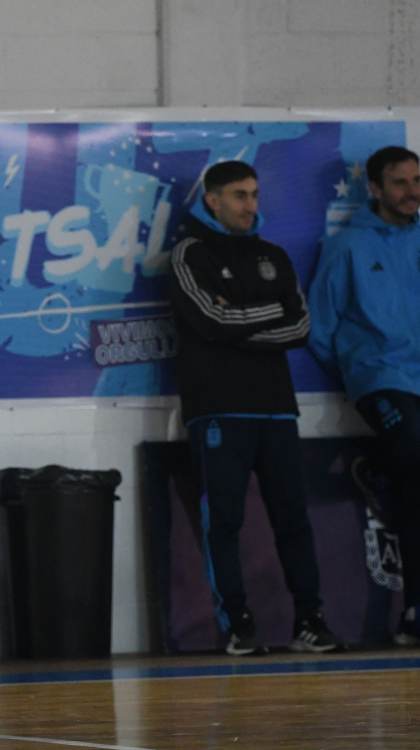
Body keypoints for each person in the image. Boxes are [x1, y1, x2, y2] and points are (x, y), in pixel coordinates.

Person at [168, 160, 345, 656]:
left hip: (277, 407)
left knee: (293, 518)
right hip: (218, 408)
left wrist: (237, 324)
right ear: (213, 200)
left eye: (254, 194)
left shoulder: (273, 255)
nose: (251, 205)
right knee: (224, 520)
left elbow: (300, 326)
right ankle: (239, 626)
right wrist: (263, 317)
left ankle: (310, 621)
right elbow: (209, 320)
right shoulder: (190, 253)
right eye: (240, 195)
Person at [307, 145, 420, 646]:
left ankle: (413, 613)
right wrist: (358, 370)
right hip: (380, 377)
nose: (412, 191)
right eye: (400, 182)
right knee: (414, 455)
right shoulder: (348, 245)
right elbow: (320, 327)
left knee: (414, 476)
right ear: (374, 188)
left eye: (417, 180)